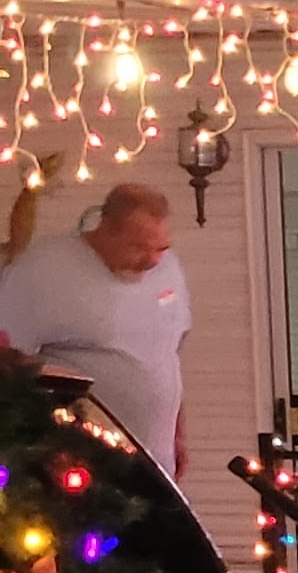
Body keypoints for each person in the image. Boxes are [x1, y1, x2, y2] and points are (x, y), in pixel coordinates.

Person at [0, 179, 192, 474]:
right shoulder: (43, 269)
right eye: (138, 247)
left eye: (161, 248)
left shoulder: (168, 268)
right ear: (106, 228)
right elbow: (7, 362)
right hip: (79, 466)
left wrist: (177, 431)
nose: (152, 261)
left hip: (156, 461)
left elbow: (166, 355)